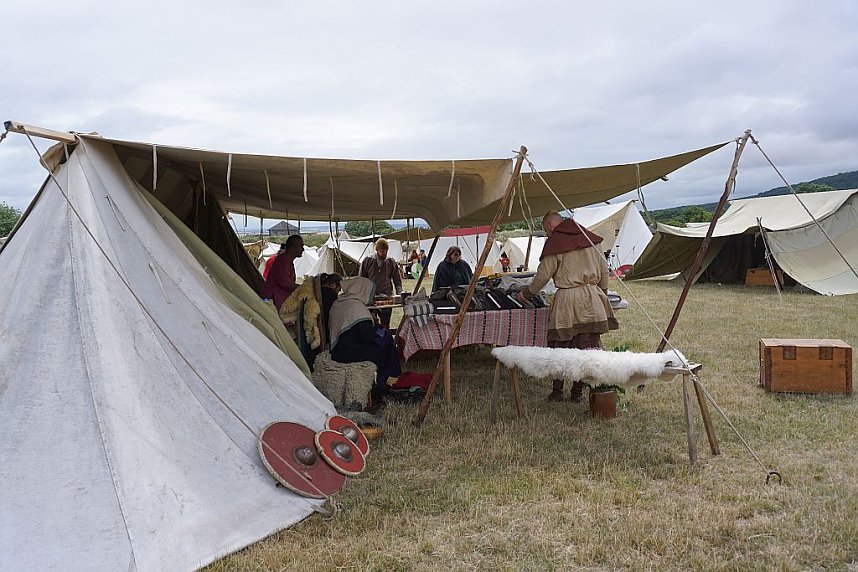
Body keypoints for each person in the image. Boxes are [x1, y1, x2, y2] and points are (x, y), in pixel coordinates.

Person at [517, 211, 618, 402]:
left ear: (550, 225)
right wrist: (601, 295)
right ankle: (577, 394)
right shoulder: (590, 237)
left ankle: (557, 393)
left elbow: (543, 275)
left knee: (561, 347)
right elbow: (604, 271)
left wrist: (526, 293)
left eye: (547, 230)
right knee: (586, 348)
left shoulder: (556, 242)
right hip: (592, 296)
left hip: (568, 299)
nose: (548, 235)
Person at [329, 277, 401, 386]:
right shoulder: (355, 306)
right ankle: (388, 383)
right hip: (346, 352)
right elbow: (367, 336)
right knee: (388, 352)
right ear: (362, 290)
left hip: (338, 348)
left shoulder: (340, 301)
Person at [358, 237, 403, 329]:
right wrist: (362, 295)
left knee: (385, 321)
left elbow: (396, 278)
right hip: (371, 297)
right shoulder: (368, 261)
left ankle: (385, 339)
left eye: (386, 250)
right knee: (371, 321)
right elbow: (361, 279)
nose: (384, 253)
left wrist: (400, 293)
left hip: (387, 296)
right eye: (382, 251)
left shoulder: (391, 261)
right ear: (377, 250)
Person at [259, 234, 303, 310]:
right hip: (271, 301)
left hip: (276, 301)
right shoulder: (283, 259)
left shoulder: (288, 260)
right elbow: (284, 282)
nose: (303, 249)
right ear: (292, 248)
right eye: (301, 246)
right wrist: (302, 288)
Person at [318, 273, 342, 340]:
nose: (338, 292)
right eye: (339, 289)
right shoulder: (330, 294)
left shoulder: (318, 290)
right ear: (333, 285)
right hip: (326, 329)